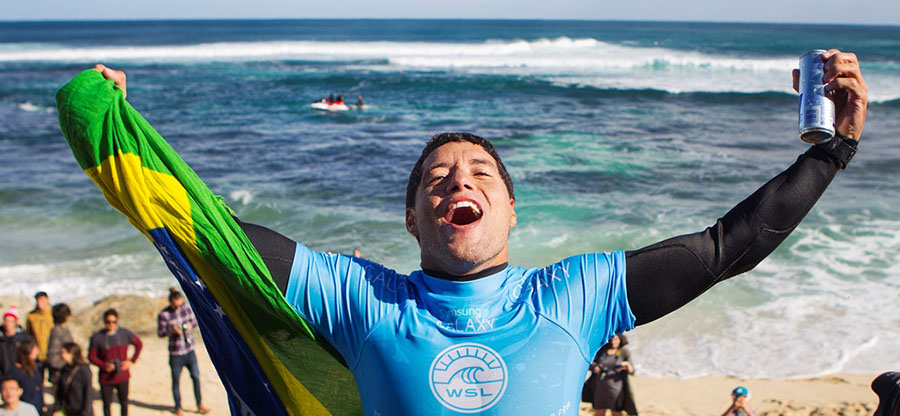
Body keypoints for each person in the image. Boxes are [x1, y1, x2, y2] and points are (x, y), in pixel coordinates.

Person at [86, 49, 867, 415]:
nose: (460, 181)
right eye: (437, 179)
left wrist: (833, 152)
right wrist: (122, 132)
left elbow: (727, 248)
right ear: (413, 218)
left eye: (481, 174)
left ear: (511, 211)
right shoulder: (360, 298)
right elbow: (212, 234)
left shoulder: (575, 293)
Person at [157, 289, 209, 416]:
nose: (178, 307)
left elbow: (195, 321)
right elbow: (160, 333)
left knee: (196, 377)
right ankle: (178, 407)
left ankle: (199, 404)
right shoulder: (164, 315)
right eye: (175, 305)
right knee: (176, 380)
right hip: (176, 353)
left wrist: (190, 326)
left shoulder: (186, 308)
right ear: (170, 302)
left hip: (189, 350)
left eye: (179, 304)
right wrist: (171, 331)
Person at [88, 309, 142, 416]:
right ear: (104, 322)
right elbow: (91, 356)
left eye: (114, 322)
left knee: (124, 403)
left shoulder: (125, 333)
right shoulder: (98, 337)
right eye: (108, 322)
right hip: (105, 377)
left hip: (122, 375)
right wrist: (104, 365)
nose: (111, 324)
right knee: (107, 405)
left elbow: (139, 344)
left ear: (117, 321)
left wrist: (131, 361)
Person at [585, 335, 636, 415]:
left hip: (617, 388)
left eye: (616, 339)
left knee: (616, 411)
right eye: (611, 339)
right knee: (599, 411)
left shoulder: (623, 351)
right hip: (600, 387)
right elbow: (589, 364)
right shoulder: (601, 350)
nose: (613, 342)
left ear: (621, 339)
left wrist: (627, 365)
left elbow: (632, 371)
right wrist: (595, 367)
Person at [5, 339, 44, 415]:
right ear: (28, 351)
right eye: (35, 349)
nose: (37, 352)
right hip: (24, 408)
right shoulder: (15, 370)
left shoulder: (36, 367)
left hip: (38, 407)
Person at [57, 343, 93, 416]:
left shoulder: (84, 370)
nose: (61, 355)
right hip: (67, 410)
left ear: (71, 353)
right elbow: (59, 391)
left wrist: (85, 413)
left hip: (81, 412)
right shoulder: (64, 369)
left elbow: (88, 393)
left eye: (63, 352)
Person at [46, 303, 73, 387]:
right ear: (67, 316)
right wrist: (68, 363)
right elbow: (52, 358)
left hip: (66, 374)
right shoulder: (57, 331)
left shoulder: (64, 330)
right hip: (59, 376)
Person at [25, 293, 52, 371]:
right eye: (38, 301)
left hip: (51, 353)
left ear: (47, 300)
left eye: (42, 300)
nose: (40, 303)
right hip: (37, 354)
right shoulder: (31, 316)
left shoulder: (53, 314)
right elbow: (28, 334)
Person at [1, 307, 29, 376]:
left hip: (19, 373)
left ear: (15, 322)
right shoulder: (1, 339)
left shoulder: (23, 338)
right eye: (6, 320)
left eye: (10, 321)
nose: (8, 324)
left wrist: (23, 364)